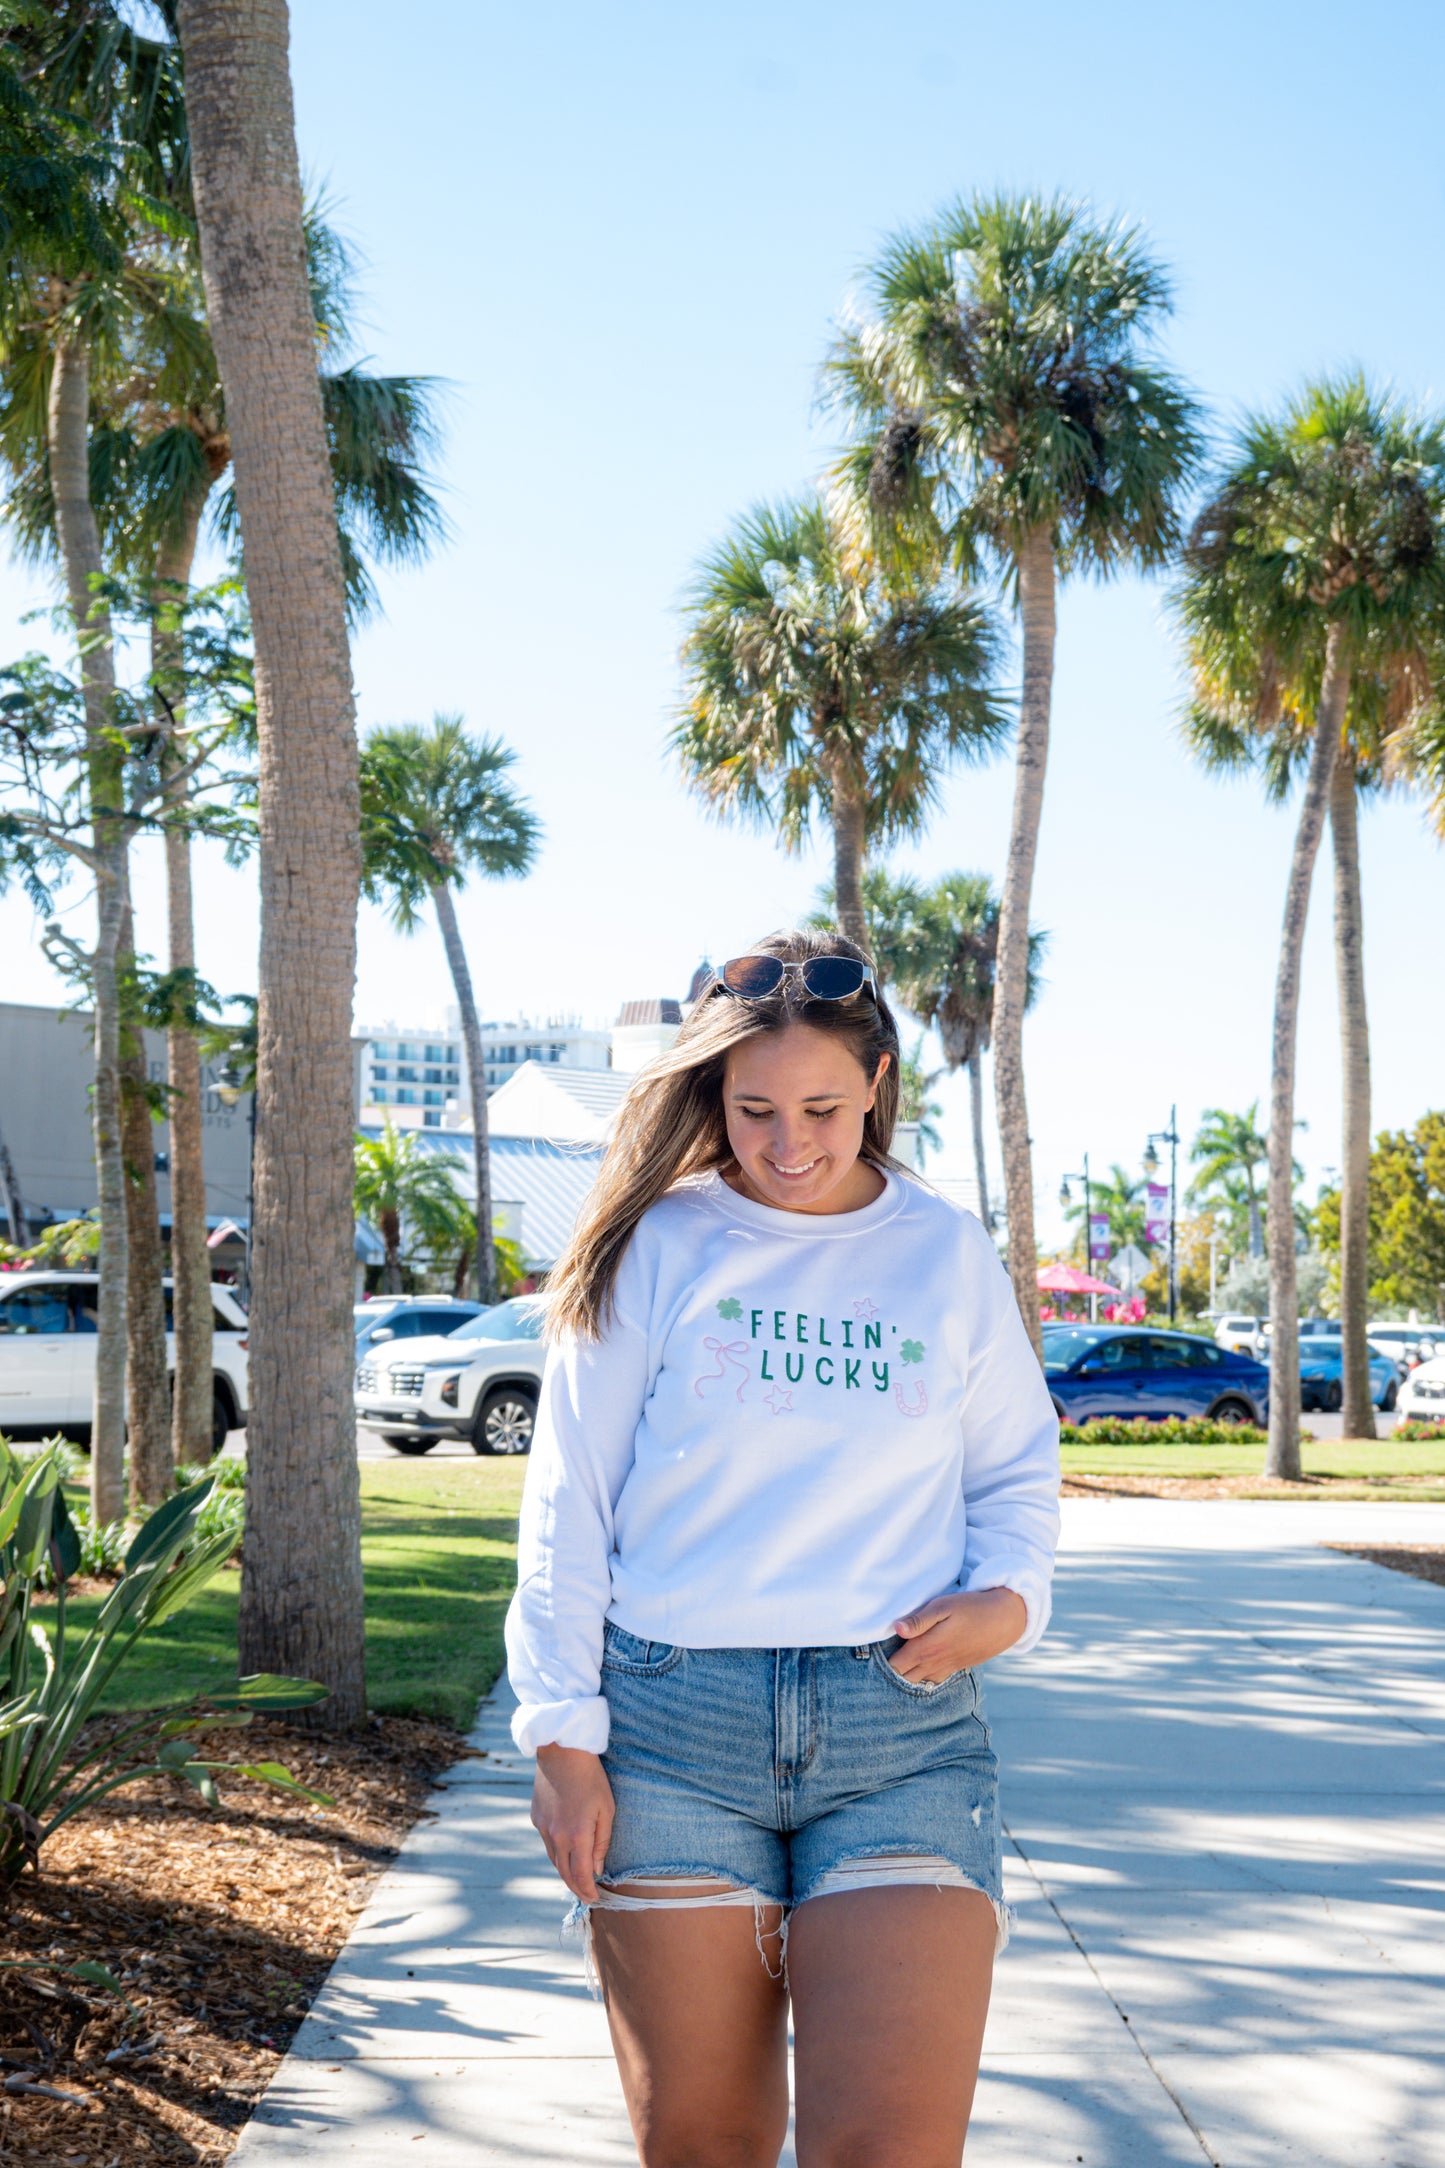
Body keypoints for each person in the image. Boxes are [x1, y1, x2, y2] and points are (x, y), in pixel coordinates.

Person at [506, 927, 1060, 2165]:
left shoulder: (943, 1251)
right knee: (703, 2145)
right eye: (753, 1107)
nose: (788, 1141)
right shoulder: (658, 1240)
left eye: (820, 1105)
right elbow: (566, 1501)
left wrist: (1008, 1600)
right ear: (712, 1094)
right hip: (667, 1738)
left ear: (876, 1083)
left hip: (898, 1733)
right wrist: (560, 1735)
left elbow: (1014, 1472)